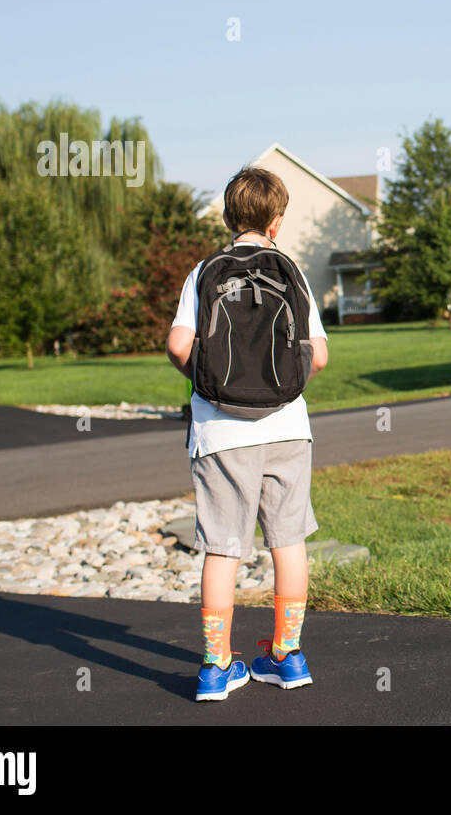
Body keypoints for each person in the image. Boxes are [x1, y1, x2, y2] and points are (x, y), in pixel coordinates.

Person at [165, 166, 328, 702]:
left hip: (220, 433)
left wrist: (207, 383)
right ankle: (286, 654)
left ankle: (216, 667)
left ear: (228, 217)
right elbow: (318, 355)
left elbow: (178, 346)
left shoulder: (204, 271)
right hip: (288, 426)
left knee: (222, 547)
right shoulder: (293, 271)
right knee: (288, 542)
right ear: (277, 222)